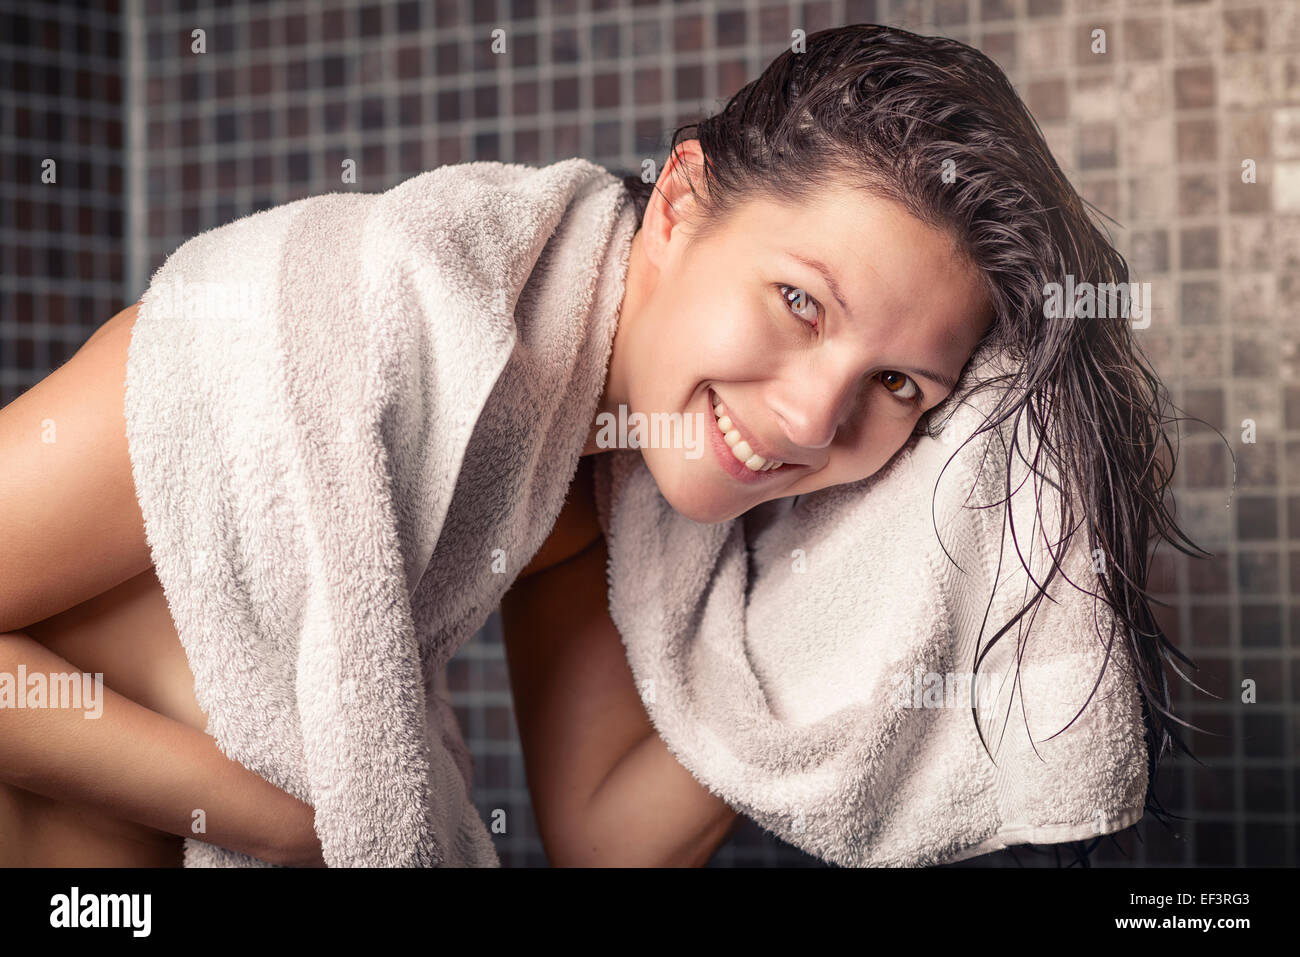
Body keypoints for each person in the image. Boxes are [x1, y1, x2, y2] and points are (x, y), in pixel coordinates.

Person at [0, 24, 1192, 867]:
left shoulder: (588, 486)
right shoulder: (348, 314)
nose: (810, 422)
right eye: (798, 304)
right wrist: (295, 824)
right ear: (679, 202)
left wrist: (887, 592)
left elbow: (607, 842)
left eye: (896, 385)